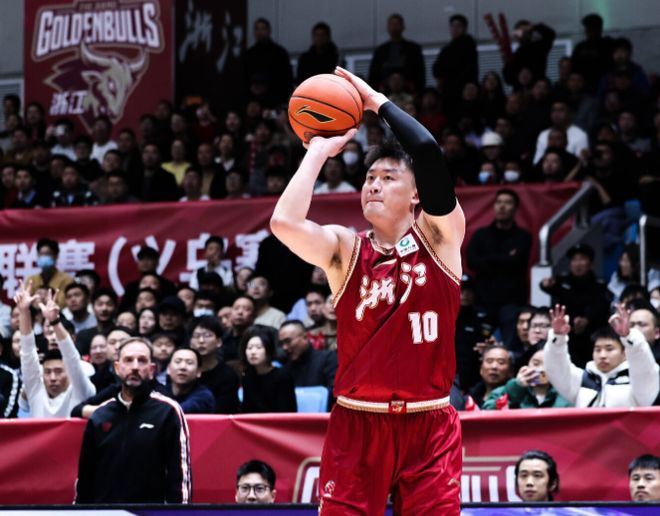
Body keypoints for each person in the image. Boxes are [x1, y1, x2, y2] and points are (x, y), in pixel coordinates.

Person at [270, 66, 465, 514]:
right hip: (357, 422)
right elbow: (284, 223)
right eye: (369, 178)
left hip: (429, 422)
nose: (374, 184)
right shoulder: (345, 249)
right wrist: (318, 151)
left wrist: (377, 102)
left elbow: (427, 152)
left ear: (416, 195)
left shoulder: (441, 238)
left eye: (389, 178)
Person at [75, 338, 191, 503]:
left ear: (151, 370)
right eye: (128, 360)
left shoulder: (168, 411)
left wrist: (179, 513)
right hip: (106, 511)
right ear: (117, 368)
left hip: (151, 511)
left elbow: (179, 476)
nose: (135, 366)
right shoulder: (100, 415)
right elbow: (85, 478)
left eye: (142, 360)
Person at [544, 305, 659, 407]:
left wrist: (629, 337)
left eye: (609, 349)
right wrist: (557, 338)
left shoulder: (636, 380)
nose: (602, 355)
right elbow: (556, 369)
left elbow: (644, 368)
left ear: (624, 352)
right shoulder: (583, 379)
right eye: (597, 350)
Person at [15, 281, 95, 417]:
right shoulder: (36, 389)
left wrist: (55, 322)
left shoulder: (80, 389)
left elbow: (72, 358)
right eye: (47, 372)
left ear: (69, 372)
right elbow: (27, 352)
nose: (52, 378)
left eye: (59, 371)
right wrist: (24, 312)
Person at [466, 189, 532, 344]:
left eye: (507, 203)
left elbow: (516, 262)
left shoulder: (523, 237)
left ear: (515, 208)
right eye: (499, 202)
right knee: (478, 346)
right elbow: (472, 262)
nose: (502, 206)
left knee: (510, 345)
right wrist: (505, 258)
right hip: (483, 301)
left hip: (511, 302)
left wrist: (487, 260)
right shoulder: (480, 235)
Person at [483, 349, 571, 409]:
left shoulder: (566, 395)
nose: (541, 369)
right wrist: (517, 387)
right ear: (526, 365)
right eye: (536, 364)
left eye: (548, 365)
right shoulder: (505, 390)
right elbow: (487, 412)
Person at [189, 316, 240, 413]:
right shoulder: (183, 372)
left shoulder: (228, 376)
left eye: (207, 335)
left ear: (219, 342)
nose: (201, 341)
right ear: (190, 343)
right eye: (196, 336)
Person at [240, 327, 297, 413]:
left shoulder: (283, 377)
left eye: (259, 347)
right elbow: (246, 410)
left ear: (269, 350)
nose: (253, 352)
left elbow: (286, 411)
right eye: (249, 348)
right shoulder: (247, 377)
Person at [368, 14, 425, 94]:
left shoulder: (413, 49)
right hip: (386, 92)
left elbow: (419, 73)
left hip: (408, 91)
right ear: (388, 27)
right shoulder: (381, 51)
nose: (394, 27)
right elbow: (374, 74)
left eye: (397, 24)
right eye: (392, 24)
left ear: (403, 27)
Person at [278, 320, 338, 394]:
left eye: (288, 341)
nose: (284, 347)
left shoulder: (328, 359)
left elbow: (335, 392)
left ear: (305, 337)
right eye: (281, 343)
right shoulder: (285, 369)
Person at [432, 14, 478, 108]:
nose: (455, 29)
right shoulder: (447, 49)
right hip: (449, 90)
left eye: (458, 26)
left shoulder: (468, 45)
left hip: (462, 90)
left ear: (464, 28)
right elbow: (436, 69)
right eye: (453, 26)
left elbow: (469, 69)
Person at [165, 347, 215, 414]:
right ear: (168, 368)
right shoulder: (160, 392)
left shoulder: (204, 396)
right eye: (178, 362)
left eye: (189, 363)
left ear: (198, 371)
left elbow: (176, 413)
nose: (182, 367)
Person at [27, 238, 74, 308]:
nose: (43, 257)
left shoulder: (67, 280)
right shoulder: (31, 280)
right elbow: (26, 302)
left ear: (56, 256)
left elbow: (63, 303)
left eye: (47, 254)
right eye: (41, 254)